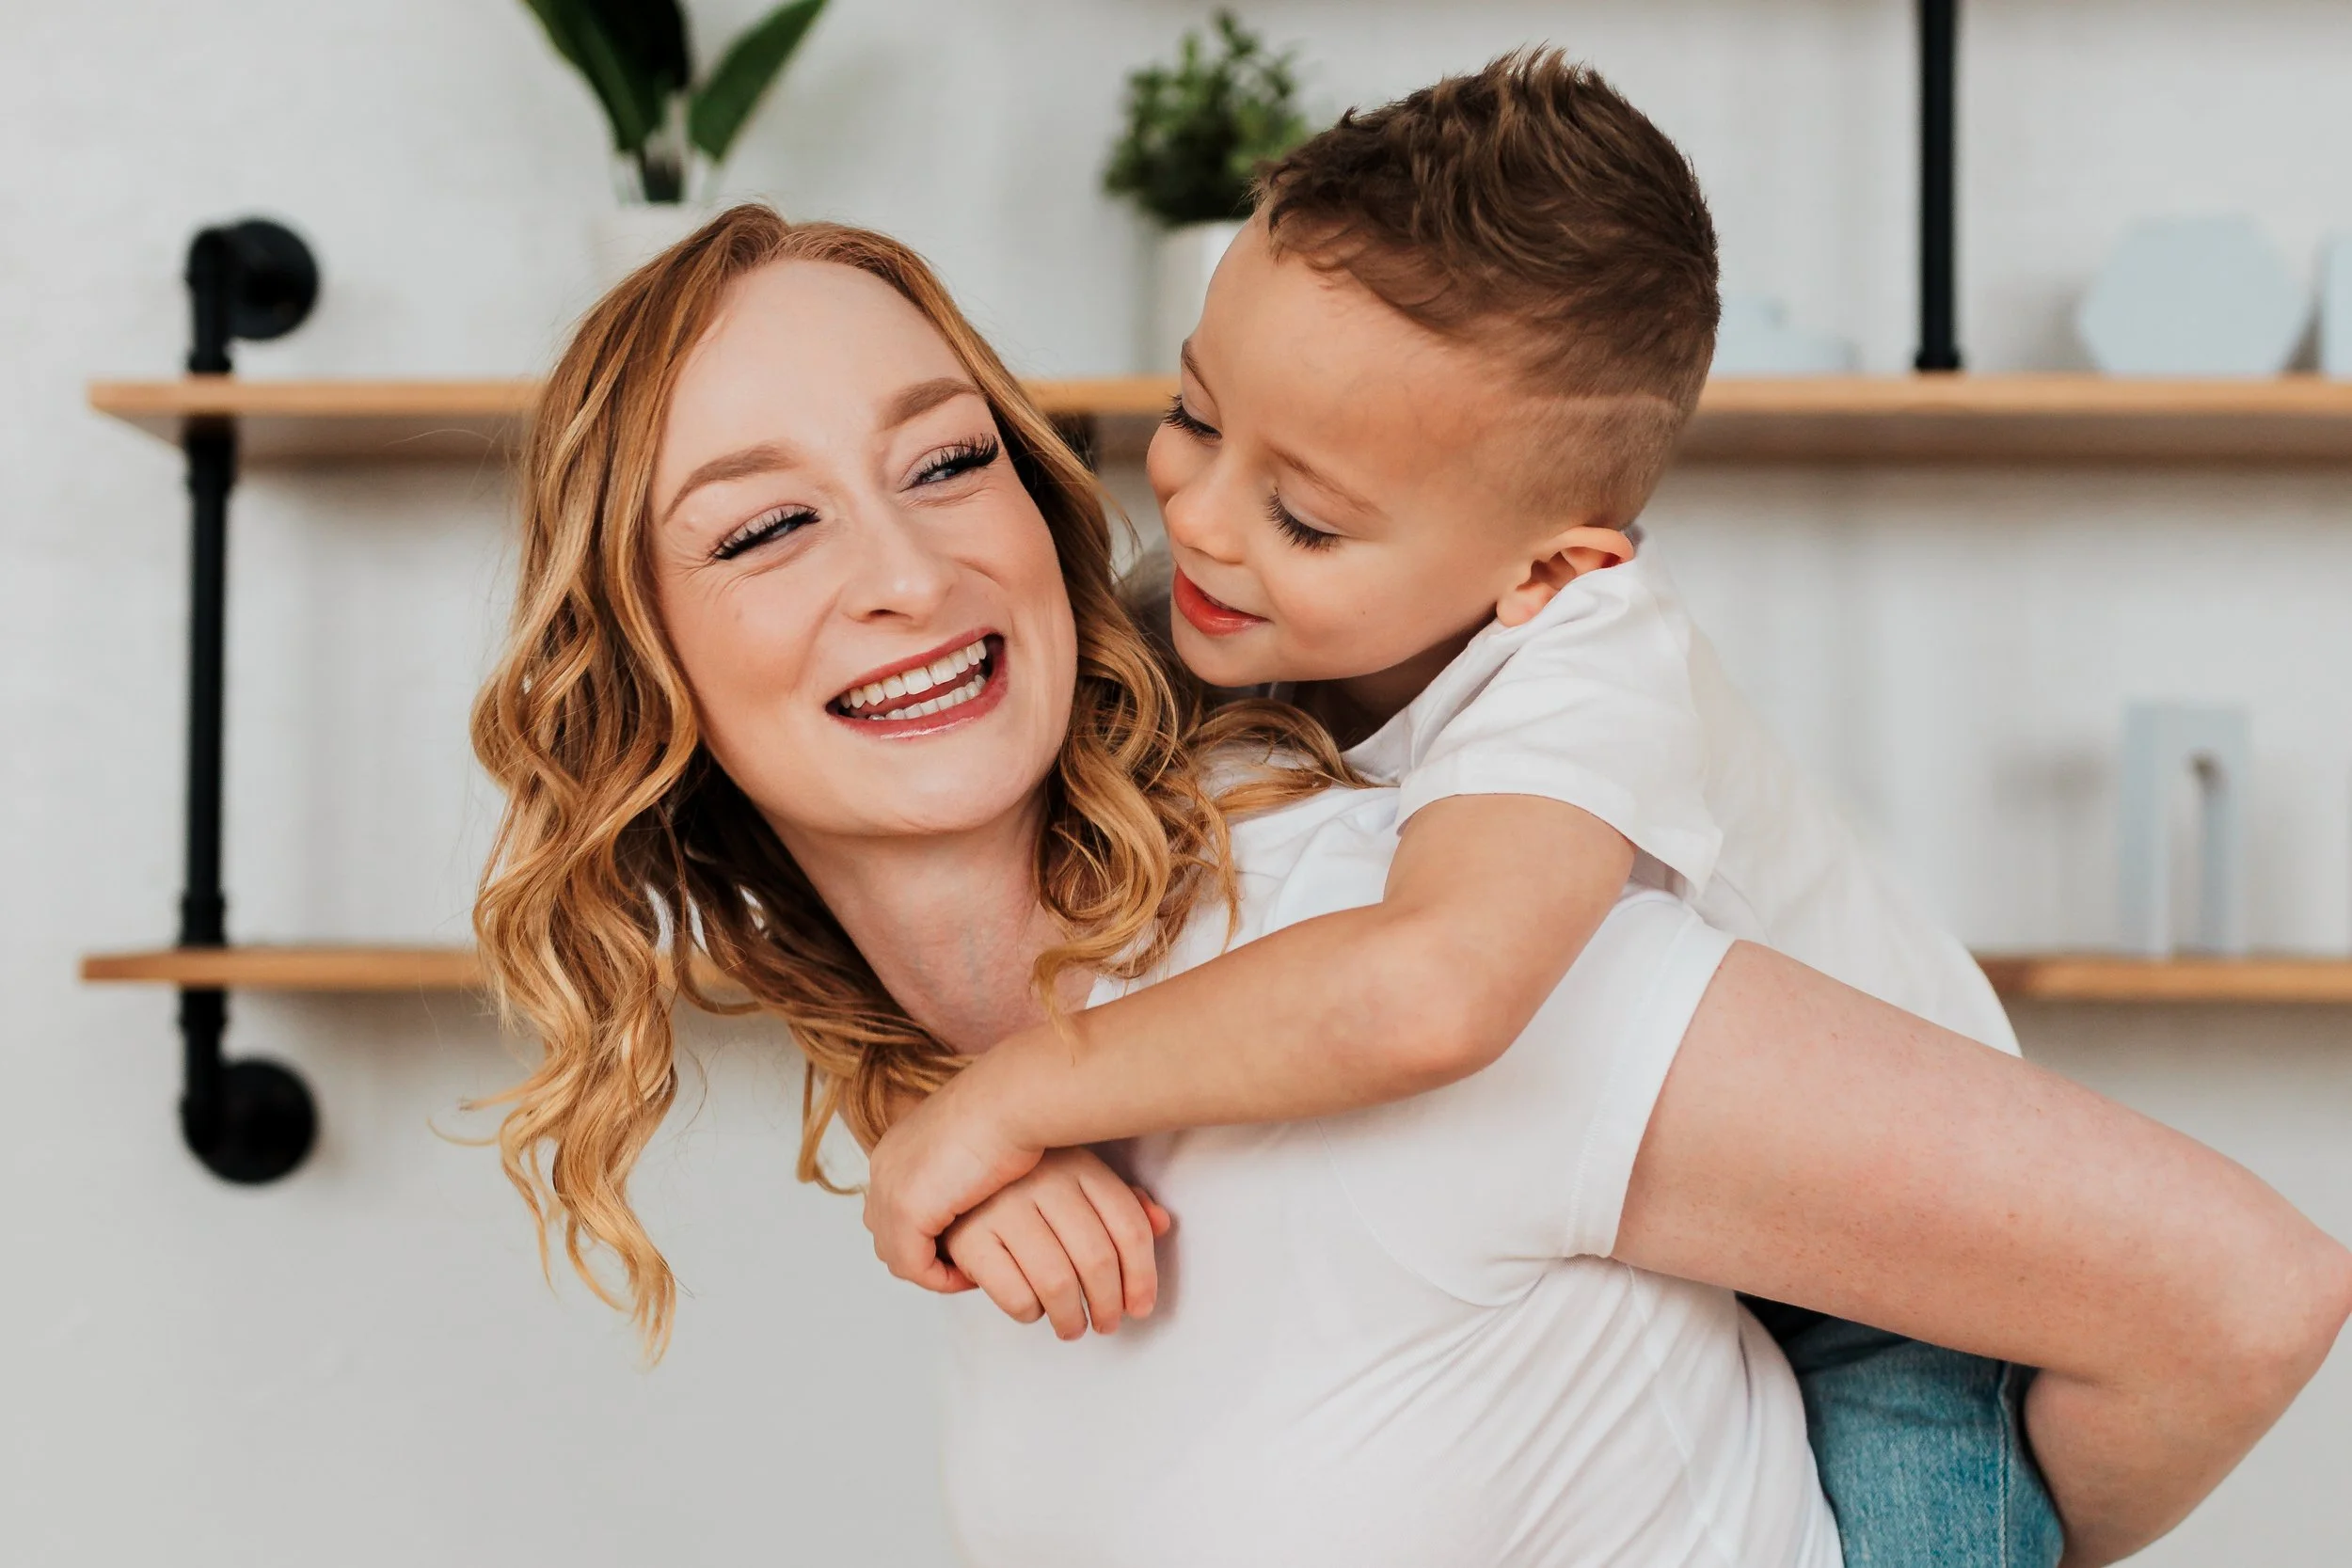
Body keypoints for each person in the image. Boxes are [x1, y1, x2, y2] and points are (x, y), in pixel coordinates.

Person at [470, 204, 2352, 1567]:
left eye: (945, 460)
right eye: (764, 523)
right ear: (640, 673)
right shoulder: (987, 1126)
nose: (901, 569)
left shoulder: (1399, 954)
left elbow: (2234, 1294)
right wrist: (981, 1107)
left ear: (1043, 525)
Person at [866, 52, 2038, 1563]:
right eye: (1193, 414)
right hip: (1670, 1206)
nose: (1204, 520)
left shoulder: (1594, 657)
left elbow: (1433, 987)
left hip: (1899, 1271)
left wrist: (1023, 1095)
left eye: (1308, 516)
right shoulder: (1228, 608)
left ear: (1550, 567)